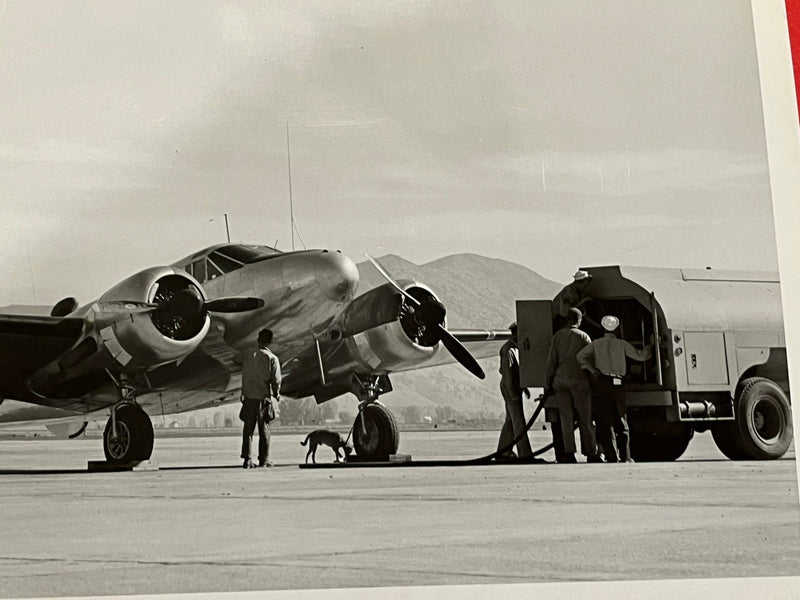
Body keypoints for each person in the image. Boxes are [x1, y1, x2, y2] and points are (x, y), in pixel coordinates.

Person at [576, 315, 651, 463]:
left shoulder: (596, 344)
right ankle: (626, 456)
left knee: (605, 420)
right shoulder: (622, 344)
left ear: (603, 328)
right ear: (617, 329)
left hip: (602, 382)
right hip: (618, 382)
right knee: (621, 419)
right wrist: (651, 346)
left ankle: (611, 456)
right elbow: (641, 356)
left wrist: (591, 369)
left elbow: (580, 356)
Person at [544, 307, 602, 463]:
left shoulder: (557, 337)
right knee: (585, 417)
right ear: (579, 320)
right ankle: (591, 452)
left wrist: (548, 383)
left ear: (567, 319)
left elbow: (551, 362)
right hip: (579, 381)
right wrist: (595, 384)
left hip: (560, 381)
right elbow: (589, 360)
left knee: (566, 419)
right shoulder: (583, 337)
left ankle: (568, 453)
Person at [496, 322, 543, 462]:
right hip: (510, 389)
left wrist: (524, 387)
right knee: (518, 422)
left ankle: (503, 452)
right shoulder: (509, 350)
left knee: (511, 421)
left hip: (515, 388)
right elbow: (507, 373)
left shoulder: (515, 349)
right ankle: (525, 454)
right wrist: (513, 393)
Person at [240, 328, 282, 468]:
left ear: (258, 339)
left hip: (248, 398)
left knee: (248, 430)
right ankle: (264, 459)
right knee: (264, 430)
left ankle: (247, 459)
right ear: (270, 342)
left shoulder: (247, 355)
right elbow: (276, 380)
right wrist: (276, 393)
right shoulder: (272, 358)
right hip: (263, 398)